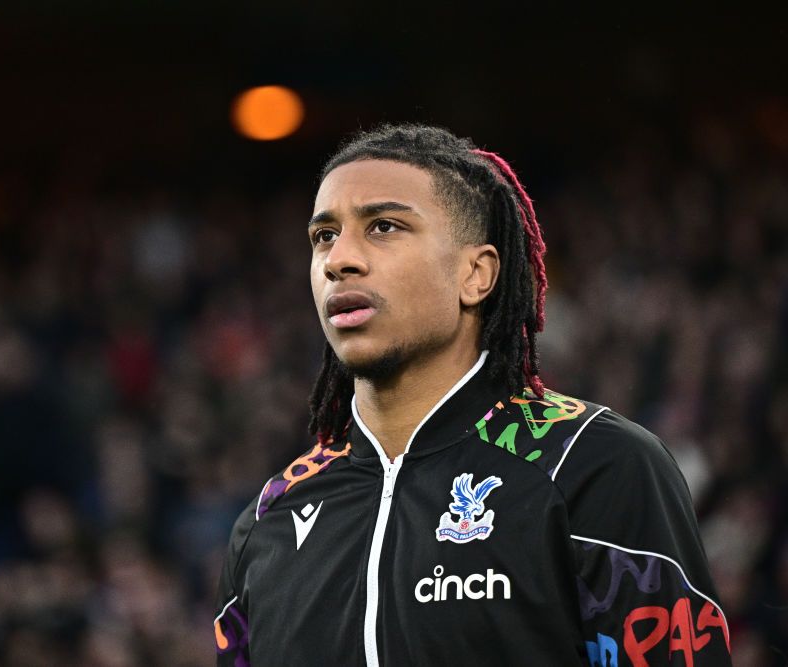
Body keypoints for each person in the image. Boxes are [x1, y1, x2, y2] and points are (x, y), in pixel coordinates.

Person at [213, 124, 731, 666]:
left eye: (384, 227)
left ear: (476, 274)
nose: (339, 259)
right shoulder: (269, 520)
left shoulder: (594, 467)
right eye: (324, 236)